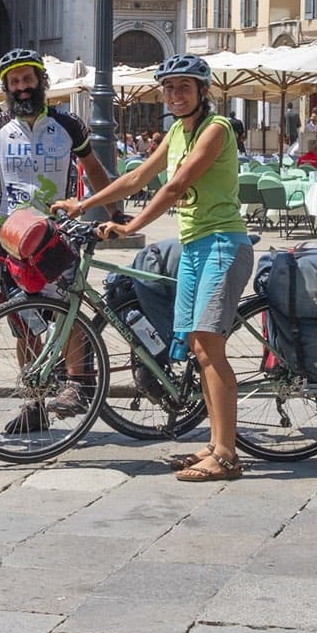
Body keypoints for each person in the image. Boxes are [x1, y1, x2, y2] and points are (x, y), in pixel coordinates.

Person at [56, 54, 252, 483]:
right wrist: (84, 204)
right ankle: (215, 443)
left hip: (223, 243)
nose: (175, 95)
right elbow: (139, 176)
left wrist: (129, 225)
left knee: (209, 346)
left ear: (203, 91)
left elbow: (176, 185)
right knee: (199, 349)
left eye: (184, 87)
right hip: (195, 246)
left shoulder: (214, 129)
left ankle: (227, 455)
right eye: (169, 88)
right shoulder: (177, 131)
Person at [0, 49, 113, 432]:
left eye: (28, 79)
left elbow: (92, 167)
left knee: (66, 308)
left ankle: (78, 382)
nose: (23, 87)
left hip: (56, 234)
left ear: (41, 82)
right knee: (22, 322)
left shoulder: (69, 124)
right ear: (7, 88)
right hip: (11, 238)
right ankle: (34, 405)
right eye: (15, 82)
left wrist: (115, 212)